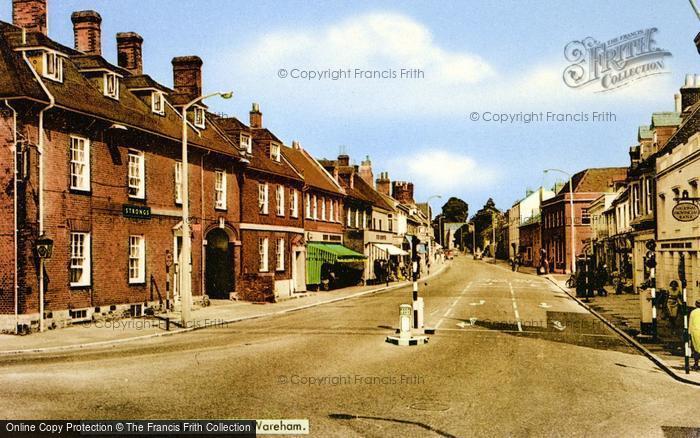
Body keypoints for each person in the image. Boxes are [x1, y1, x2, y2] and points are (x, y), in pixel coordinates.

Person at [690, 300, 700, 371]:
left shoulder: (693, 312)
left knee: (696, 349)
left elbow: (690, 323)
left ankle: (696, 364)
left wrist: (689, 333)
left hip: (695, 332)